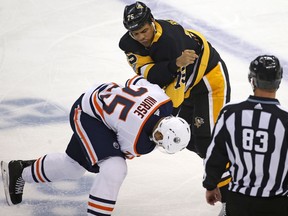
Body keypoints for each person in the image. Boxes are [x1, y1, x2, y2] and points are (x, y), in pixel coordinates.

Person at [1, 75, 191, 216]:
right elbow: (117, 154)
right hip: (87, 114)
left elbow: (136, 82)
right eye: (159, 139)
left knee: (73, 167)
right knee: (115, 168)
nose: (156, 143)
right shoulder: (138, 141)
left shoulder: (164, 100)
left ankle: (20, 171)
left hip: (100, 99)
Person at [119, 1, 231, 209]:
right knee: (191, 140)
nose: (141, 37)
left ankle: (230, 200)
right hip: (187, 82)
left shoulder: (173, 41)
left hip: (209, 81)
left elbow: (174, 91)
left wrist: (159, 119)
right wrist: (173, 64)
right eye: (135, 34)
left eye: (144, 31)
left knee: (211, 141)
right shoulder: (128, 44)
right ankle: (230, 166)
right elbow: (150, 75)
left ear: (152, 22)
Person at [203, 55, 288, 216]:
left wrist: (211, 184)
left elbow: (215, 153)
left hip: (239, 201)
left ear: (252, 80)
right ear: (278, 82)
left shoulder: (230, 113)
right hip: (277, 203)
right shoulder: (284, 119)